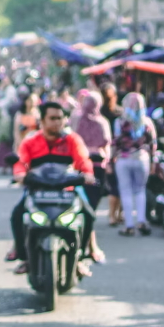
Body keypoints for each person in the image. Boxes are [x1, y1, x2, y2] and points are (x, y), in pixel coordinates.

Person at [9, 103, 96, 276]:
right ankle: (24, 256)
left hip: (67, 191)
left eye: (61, 118)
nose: (57, 122)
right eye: (53, 118)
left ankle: (80, 257)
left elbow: (83, 160)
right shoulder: (31, 141)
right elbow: (21, 163)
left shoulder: (72, 139)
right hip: (37, 190)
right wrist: (19, 174)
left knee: (89, 215)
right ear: (42, 121)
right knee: (17, 215)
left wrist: (87, 173)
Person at [69, 91, 111, 263]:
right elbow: (107, 142)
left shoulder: (77, 120)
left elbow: (71, 139)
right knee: (89, 208)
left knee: (83, 207)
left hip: (80, 167)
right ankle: (87, 246)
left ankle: (87, 245)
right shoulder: (103, 122)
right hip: (96, 168)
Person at [113, 92, 158, 236]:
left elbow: (115, 142)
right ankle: (141, 221)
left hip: (123, 159)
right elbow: (153, 143)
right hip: (141, 159)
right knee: (140, 190)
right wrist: (153, 161)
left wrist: (111, 159)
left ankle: (129, 225)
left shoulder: (119, 122)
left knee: (125, 192)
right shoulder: (147, 122)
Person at [99, 82, 124, 225]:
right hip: (106, 153)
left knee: (121, 185)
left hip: (120, 152)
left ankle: (119, 213)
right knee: (114, 185)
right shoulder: (99, 113)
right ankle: (112, 215)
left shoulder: (120, 113)